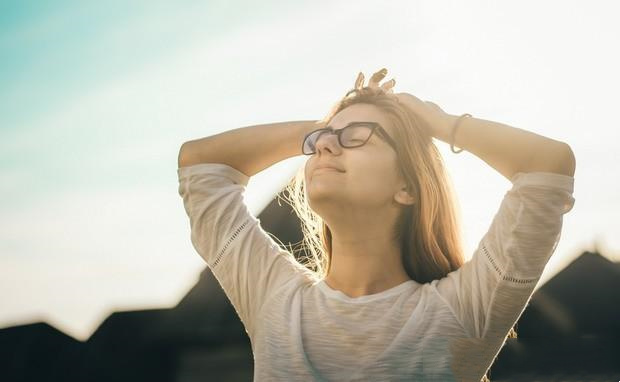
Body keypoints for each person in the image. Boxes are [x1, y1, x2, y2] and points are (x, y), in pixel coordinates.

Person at [177, 68, 576, 381]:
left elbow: (547, 165)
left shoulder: (462, 308)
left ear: (407, 186)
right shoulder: (274, 297)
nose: (326, 145)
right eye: (319, 141)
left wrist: (438, 122)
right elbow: (200, 164)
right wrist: (323, 126)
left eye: (357, 137)